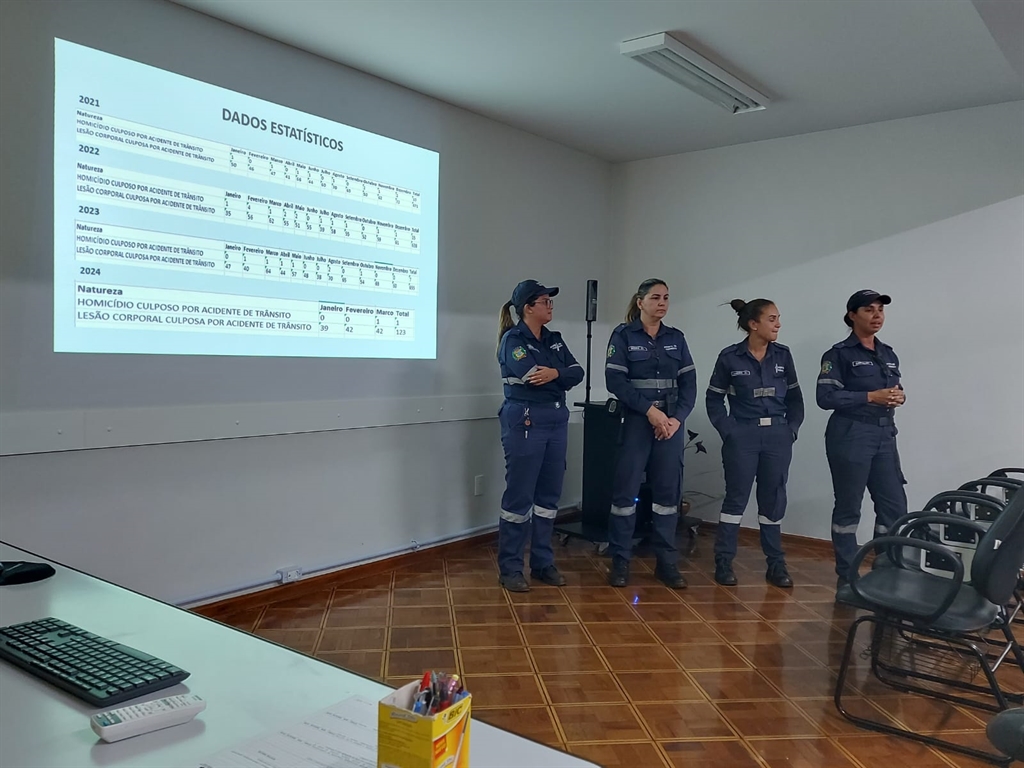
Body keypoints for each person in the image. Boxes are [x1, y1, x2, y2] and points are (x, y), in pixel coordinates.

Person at [604, 279, 697, 589]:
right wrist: (650, 412)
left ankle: (666, 563)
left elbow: (689, 384)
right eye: (656, 297)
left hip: (669, 426)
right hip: (636, 423)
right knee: (625, 495)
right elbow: (616, 382)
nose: (662, 303)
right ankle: (620, 561)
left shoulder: (676, 338)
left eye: (666, 298)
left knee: (667, 497)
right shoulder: (623, 336)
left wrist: (676, 419)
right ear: (640, 302)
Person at [706, 299, 804, 588]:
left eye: (778, 318)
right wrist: (729, 431)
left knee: (773, 500)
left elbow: (796, 398)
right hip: (743, 436)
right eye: (772, 319)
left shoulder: (783, 355)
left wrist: (791, 430)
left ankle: (776, 565)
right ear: (753, 324)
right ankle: (724, 562)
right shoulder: (729, 357)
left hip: (777, 436)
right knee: (736, 500)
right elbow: (714, 399)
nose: (778, 324)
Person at [496, 280, 584, 593]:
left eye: (550, 301)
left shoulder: (553, 339)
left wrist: (555, 374)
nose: (550, 306)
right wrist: (557, 375)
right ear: (528, 308)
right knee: (519, 497)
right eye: (545, 301)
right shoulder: (513, 340)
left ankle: (543, 562)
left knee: (548, 498)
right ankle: (510, 568)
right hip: (526, 420)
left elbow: (577, 372)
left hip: (555, 419)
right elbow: (532, 376)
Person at [817, 290, 907, 589]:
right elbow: (825, 397)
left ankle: (886, 573)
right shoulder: (838, 354)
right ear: (852, 315)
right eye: (869, 309)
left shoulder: (888, 353)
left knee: (894, 506)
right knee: (849, 508)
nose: (877, 315)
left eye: (880, 309)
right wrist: (870, 396)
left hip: (884, 435)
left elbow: (893, 388)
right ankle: (847, 577)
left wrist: (899, 396)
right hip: (851, 434)